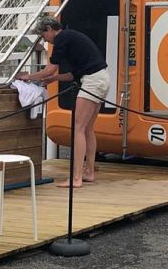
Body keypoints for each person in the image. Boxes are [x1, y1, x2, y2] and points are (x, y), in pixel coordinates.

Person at [25, 16, 110, 188]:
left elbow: (49, 69)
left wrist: (27, 77)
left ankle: (76, 178)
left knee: (78, 128)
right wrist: (54, 79)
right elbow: (73, 75)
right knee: (87, 129)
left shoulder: (61, 39)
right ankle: (89, 172)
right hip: (102, 78)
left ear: (49, 28)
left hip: (93, 81)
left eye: (43, 36)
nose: (45, 40)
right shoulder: (72, 37)